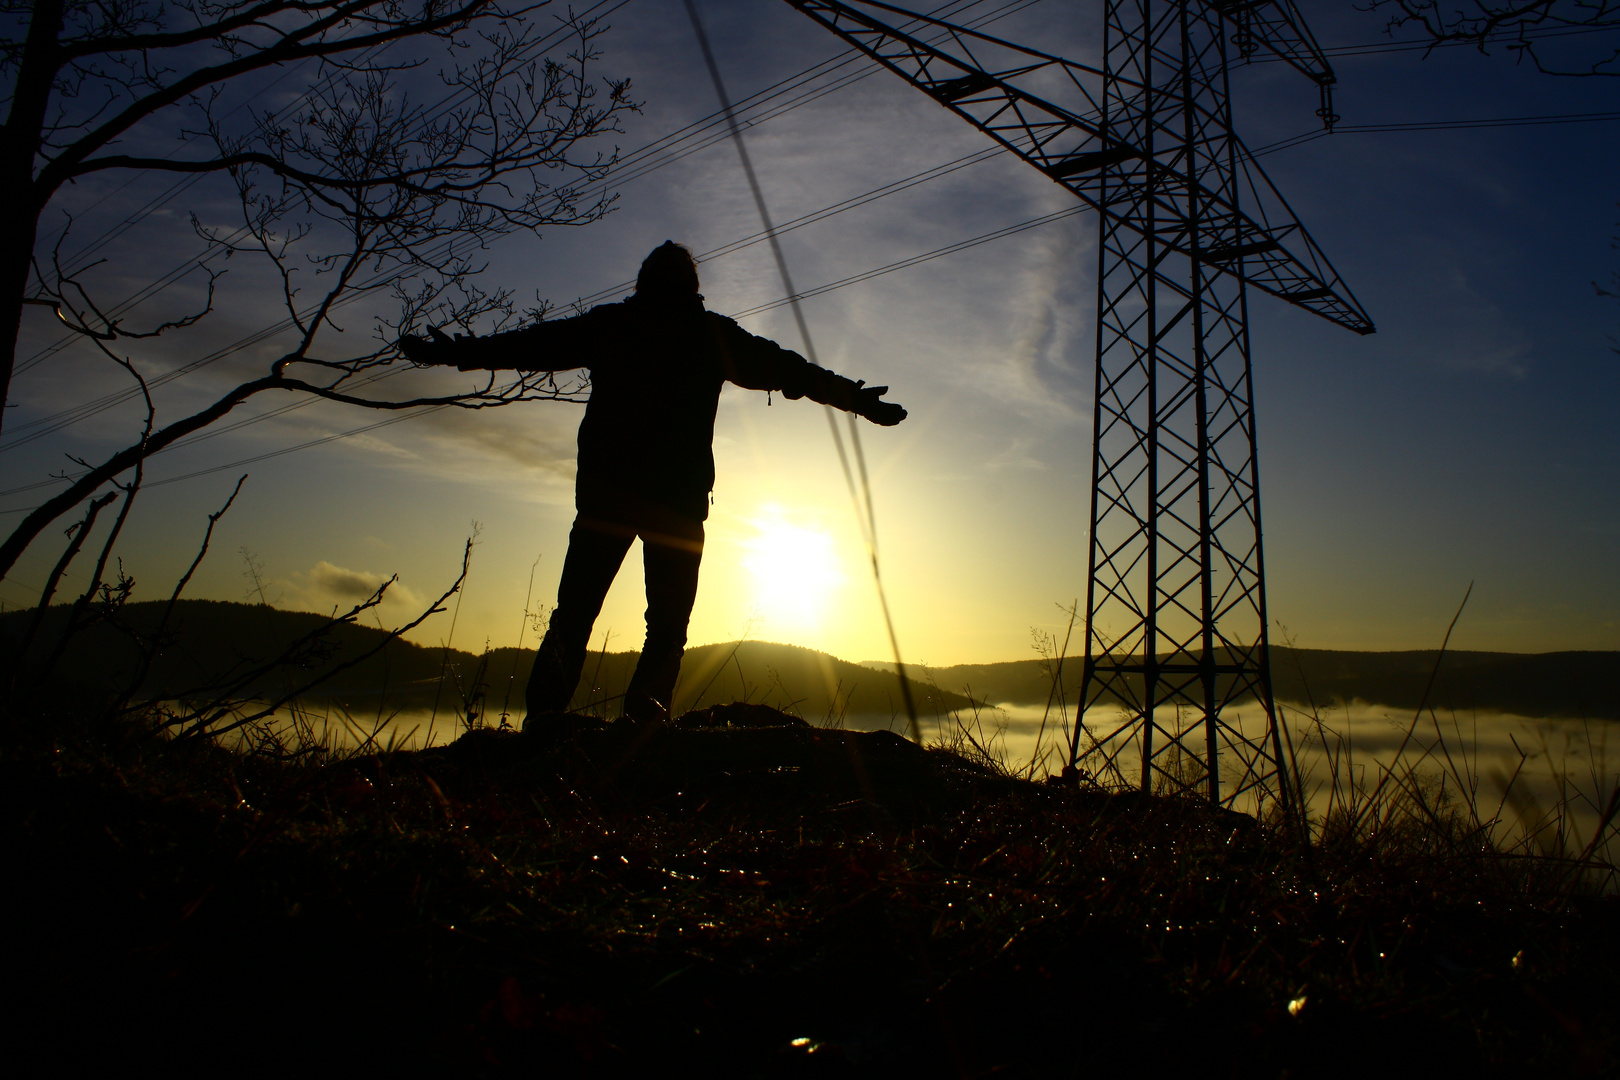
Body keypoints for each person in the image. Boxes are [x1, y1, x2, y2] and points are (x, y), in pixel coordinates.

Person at [400, 241, 906, 726]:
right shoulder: (707, 334)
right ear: (692, 287)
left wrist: (457, 354)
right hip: (675, 504)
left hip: (610, 495)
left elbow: (535, 344)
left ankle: (546, 721)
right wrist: (857, 400)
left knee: (575, 617)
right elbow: (787, 369)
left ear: (643, 282)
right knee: (663, 631)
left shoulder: (616, 326)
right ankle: (640, 727)